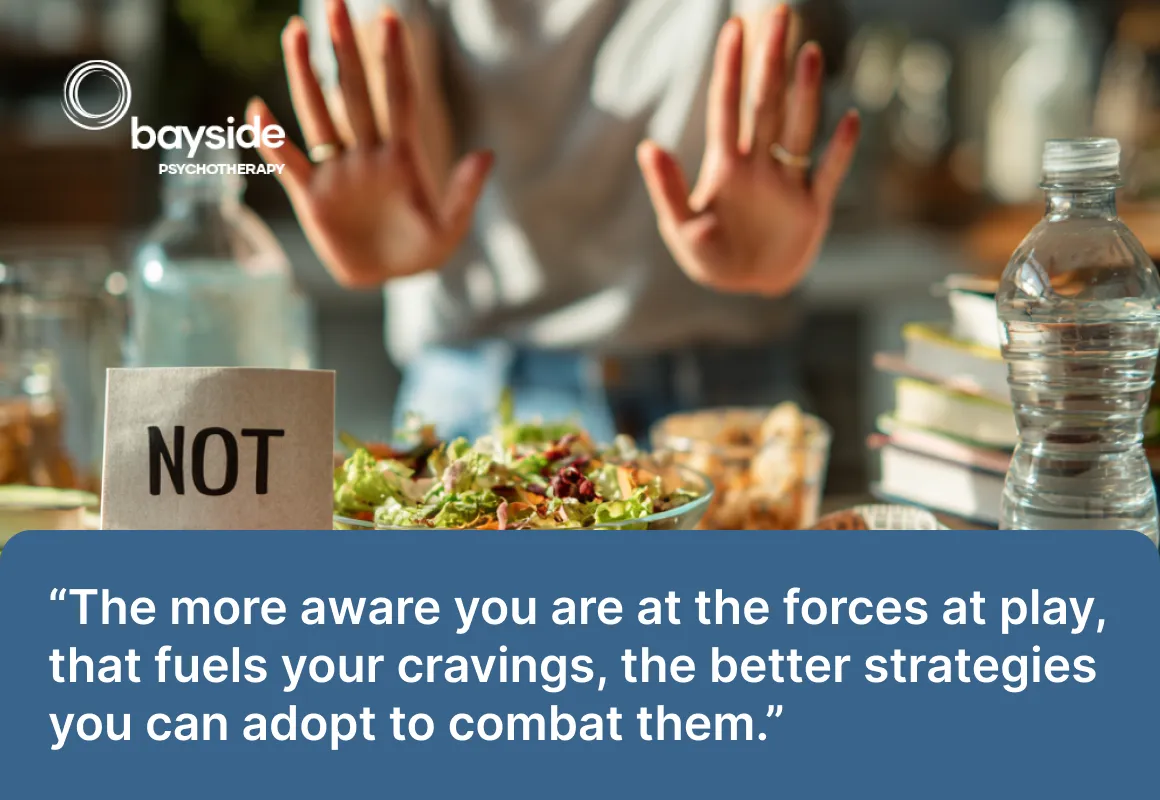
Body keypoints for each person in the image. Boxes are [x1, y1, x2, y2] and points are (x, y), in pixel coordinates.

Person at [249, 0, 860, 442]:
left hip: (726, 419)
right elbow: (390, 59)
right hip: (476, 410)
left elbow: (777, 33)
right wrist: (399, 214)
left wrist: (777, 130)